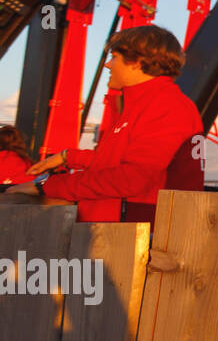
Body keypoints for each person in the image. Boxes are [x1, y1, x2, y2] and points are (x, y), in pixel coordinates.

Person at [9, 25, 204, 223]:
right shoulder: (147, 103)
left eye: (115, 57)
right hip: (123, 231)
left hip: (138, 237)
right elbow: (117, 161)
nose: (108, 65)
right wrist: (69, 157)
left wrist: (47, 186)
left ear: (136, 62)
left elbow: (130, 179)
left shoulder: (165, 106)